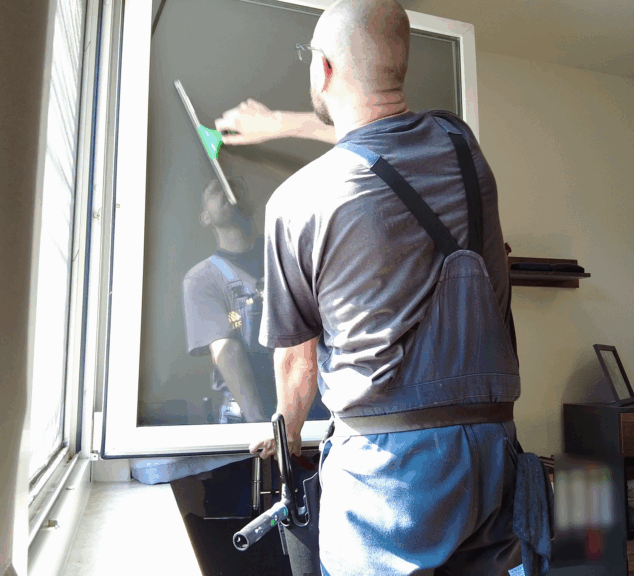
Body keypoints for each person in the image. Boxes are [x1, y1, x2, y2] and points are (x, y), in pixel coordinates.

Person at [215, 0, 523, 574]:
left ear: (324, 70)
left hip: (391, 480)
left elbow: (298, 367)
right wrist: (284, 124)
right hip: (493, 452)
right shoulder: (463, 149)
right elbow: (377, 136)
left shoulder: (295, 204)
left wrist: (286, 432)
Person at [182, 179, 330, 424]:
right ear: (205, 218)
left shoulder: (289, 255)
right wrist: (258, 422)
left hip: (310, 406)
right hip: (247, 415)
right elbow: (226, 350)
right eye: (214, 189)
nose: (227, 189)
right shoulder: (202, 278)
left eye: (233, 185)